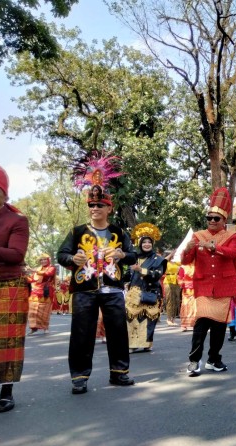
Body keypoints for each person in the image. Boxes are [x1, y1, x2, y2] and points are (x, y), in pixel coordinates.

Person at [57, 153, 137, 394]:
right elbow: (61, 255)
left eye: (99, 205)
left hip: (112, 288)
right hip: (84, 288)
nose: (94, 208)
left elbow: (133, 256)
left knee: (118, 332)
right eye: (91, 205)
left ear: (108, 208)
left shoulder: (118, 232)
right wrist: (73, 259)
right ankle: (79, 377)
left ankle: (119, 373)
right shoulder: (77, 231)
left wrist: (122, 255)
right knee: (82, 333)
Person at [183, 187, 236, 375]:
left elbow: (233, 253)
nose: (212, 221)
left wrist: (214, 248)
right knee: (201, 323)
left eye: (216, 219)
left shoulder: (232, 236)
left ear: (224, 221)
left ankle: (214, 359)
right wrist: (187, 249)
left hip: (224, 287)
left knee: (219, 327)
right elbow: (185, 261)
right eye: (209, 218)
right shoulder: (198, 236)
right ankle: (194, 361)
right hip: (204, 285)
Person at [0, 165, 30, 413]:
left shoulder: (17, 220)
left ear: (5, 195)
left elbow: (16, 255)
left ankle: (6, 392)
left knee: (8, 340)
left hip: (9, 286)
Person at [125, 223, 167, 352]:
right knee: (132, 319)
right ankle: (133, 344)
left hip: (150, 292)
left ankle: (146, 343)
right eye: (144, 242)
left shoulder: (158, 259)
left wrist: (141, 270)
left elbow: (156, 275)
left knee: (149, 320)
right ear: (140, 243)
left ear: (152, 244)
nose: (147, 244)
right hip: (133, 294)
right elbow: (128, 275)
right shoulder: (134, 258)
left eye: (149, 242)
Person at [27, 253, 56, 334]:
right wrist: (23, 276)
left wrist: (35, 270)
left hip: (45, 292)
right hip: (35, 293)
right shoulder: (38, 269)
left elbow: (48, 274)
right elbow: (32, 279)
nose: (43, 261)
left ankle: (45, 327)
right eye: (41, 260)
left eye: (44, 259)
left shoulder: (51, 268)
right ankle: (33, 328)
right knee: (32, 311)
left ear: (48, 260)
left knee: (44, 311)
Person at [163, 256, 181, 326]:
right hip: (168, 281)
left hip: (176, 281)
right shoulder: (166, 262)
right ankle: (168, 319)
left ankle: (173, 319)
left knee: (176, 300)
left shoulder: (178, 263)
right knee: (169, 300)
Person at [178, 264, 196, 332]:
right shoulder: (183, 267)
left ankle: (194, 323)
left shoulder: (197, 265)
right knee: (185, 306)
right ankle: (184, 325)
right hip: (186, 290)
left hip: (196, 289)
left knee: (195, 307)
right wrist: (183, 284)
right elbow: (180, 278)